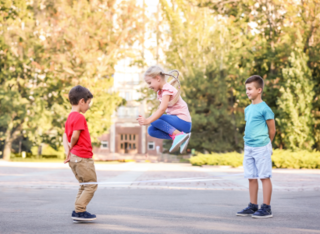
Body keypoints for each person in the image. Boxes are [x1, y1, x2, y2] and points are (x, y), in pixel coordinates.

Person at [236, 75, 276, 219]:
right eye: (246, 89)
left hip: (262, 147)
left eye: (250, 89)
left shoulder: (265, 109)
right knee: (251, 177)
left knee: (264, 176)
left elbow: (272, 130)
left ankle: (266, 208)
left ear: (259, 90)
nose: (247, 91)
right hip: (249, 147)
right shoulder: (248, 109)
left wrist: (267, 144)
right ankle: (253, 206)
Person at [137, 65, 192, 153]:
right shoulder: (161, 92)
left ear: (158, 78)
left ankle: (178, 135)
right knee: (151, 130)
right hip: (179, 124)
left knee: (154, 118)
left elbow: (162, 109)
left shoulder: (167, 89)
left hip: (183, 122)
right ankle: (179, 136)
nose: (149, 86)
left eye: (149, 83)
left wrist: (147, 120)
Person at [63, 85, 98, 221]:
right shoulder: (79, 117)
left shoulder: (69, 117)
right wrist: (71, 147)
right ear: (82, 101)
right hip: (82, 157)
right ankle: (79, 210)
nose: (89, 106)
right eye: (88, 103)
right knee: (91, 185)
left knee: (84, 184)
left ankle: (79, 210)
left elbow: (65, 136)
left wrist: (68, 152)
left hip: (75, 157)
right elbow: (74, 136)